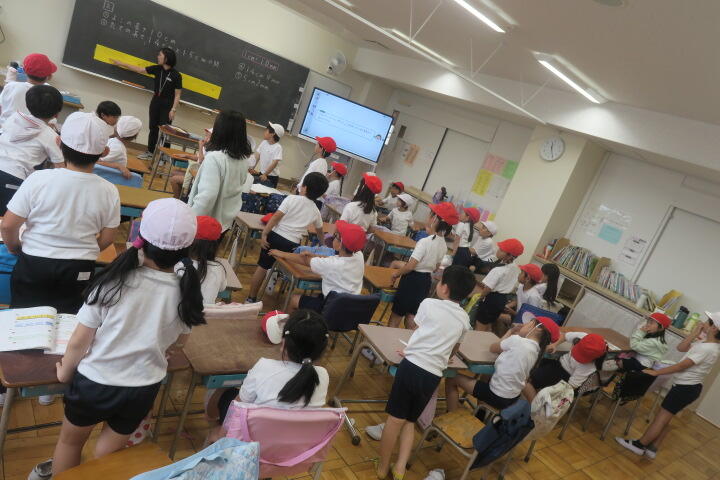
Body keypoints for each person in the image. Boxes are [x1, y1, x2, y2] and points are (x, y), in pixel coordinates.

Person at [44, 198, 205, 476]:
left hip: (95, 383)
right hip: (143, 388)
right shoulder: (187, 291)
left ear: (140, 237)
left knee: (70, 443)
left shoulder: (114, 281)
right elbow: (179, 344)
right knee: (107, 457)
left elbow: (79, 341)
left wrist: (65, 372)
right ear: (188, 247)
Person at [1, 111, 120, 314]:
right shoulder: (110, 190)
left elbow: (8, 225)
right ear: (104, 152)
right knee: (67, 319)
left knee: (22, 319)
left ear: (58, 142)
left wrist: (15, 248)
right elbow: (108, 238)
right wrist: (86, 250)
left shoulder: (39, 179)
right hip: (79, 268)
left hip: (34, 263)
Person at [376, 266, 475, 480]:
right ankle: (400, 468)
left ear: (444, 288)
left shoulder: (429, 303)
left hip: (412, 368)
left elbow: (418, 330)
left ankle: (382, 469)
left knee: (394, 420)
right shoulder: (464, 320)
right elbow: (452, 350)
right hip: (433, 376)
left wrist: (412, 350)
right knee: (410, 421)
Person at [204, 309, 330, 442]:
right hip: (295, 448)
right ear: (322, 350)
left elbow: (237, 407)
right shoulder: (323, 376)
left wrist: (222, 435)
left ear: (283, 343)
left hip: (251, 445)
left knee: (226, 395)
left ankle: (210, 420)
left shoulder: (264, 367)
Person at [616, 315, 720, 460]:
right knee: (665, 417)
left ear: (714, 328)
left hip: (685, 388)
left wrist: (656, 372)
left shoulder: (707, 348)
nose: (703, 323)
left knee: (661, 418)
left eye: (707, 321)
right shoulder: (705, 344)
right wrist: (694, 333)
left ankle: (639, 445)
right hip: (688, 388)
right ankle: (652, 448)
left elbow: (682, 365)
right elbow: (681, 348)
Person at [445, 315, 558, 414]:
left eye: (529, 323)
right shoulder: (537, 351)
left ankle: (451, 416)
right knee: (485, 377)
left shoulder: (517, 340)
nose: (523, 325)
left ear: (537, 328)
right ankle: (481, 413)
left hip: (496, 396)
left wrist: (510, 331)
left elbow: (493, 348)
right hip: (512, 398)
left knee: (452, 378)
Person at [245, 172, 328, 304]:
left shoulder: (291, 199)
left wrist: (265, 233)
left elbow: (276, 217)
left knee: (262, 267)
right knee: (285, 269)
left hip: (275, 237)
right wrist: (323, 245)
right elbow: (320, 231)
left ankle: (251, 298)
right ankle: (278, 285)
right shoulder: (316, 211)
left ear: (304, 187)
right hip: (292, 244)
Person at [270, 220, 366, 313]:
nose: (333, 237)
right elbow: (332, 258)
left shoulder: (331, 264)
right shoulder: (359, 256)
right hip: (350, 308)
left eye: (336, 236)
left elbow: (304, 260)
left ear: (340, 245)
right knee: (315, 296)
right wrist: (314, 255)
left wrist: (282, 254)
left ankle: (289, 324)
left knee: (294, 299)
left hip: (331, 309)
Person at [388, 203, 457, 329]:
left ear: (434, 219)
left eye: (430, 214)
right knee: (412, 316)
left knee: (396, 316)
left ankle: (385, 340)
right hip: (425, 282)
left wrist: (396, 273)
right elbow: (436, 268)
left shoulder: (425, 241)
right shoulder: (443, 245)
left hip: (412, 280)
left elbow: (410, 266)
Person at [0, 85, 63, 214]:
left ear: (27, 104)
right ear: (57, 113)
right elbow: (60, 168)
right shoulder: (51, 136)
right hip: (14, 178)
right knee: (5, 216)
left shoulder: (14, 117)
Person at [111, 48, 182, 159]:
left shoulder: (176, 75)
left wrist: (173, 109)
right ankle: (150, 152)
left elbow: (177, 94)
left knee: (165, 131)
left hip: (167, 105)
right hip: (155, 101)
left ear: (166, 58)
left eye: (160, 55)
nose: (158, 57)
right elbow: (139, 69)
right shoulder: (157, 69)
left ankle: (164, 157)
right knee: (153, 128)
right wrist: (121, 63)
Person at [187, 110, 252, 233]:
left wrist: (190, 219)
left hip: (205, 222)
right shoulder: (243, 160)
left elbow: (207, 196)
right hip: (225, 220)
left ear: (220, 131)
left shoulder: (214, 158)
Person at [522, 332, 607, 401]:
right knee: (529, 367)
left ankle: (537, 408)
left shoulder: (589, 367)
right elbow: (564, 336)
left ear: (593, 359)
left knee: (527, 381)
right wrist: (555, 344)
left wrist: (552, 395)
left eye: (581, 357)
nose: (576, 357)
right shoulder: (584, 337)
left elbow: (570, 386)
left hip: (566, 377)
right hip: (559, 363)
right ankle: (533, 397)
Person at [471, 239, 524, 332]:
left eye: (501, 250)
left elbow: (488, 288)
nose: (497, 250)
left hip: (491, 299)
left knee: (480, 326)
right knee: (488, 325)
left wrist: (480, 298)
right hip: (502, 300)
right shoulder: (515, 267)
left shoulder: (498, 270)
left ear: (508, 255)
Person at [0, 53, 57, 129]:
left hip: (4, 131)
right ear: (49, 77)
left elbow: (1, 107)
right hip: (32, 134)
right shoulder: (49, 93)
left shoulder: (11, 86)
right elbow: (51, 123)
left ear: (24, 70)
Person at [180, 215, 227, 305]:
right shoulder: (219, 268)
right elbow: (222, 288)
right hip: (206, 313)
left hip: (180, 312)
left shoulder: (179, 265)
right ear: (215, 246)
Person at [97, 115, 142, 179]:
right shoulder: (118, 148)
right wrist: (118, 166)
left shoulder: (112, 141)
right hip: (109, 179)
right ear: (135, 136)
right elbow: (95, 162)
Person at [251, 122, 284, 187]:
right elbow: (257, 157)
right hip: (262, 174)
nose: (264, 132)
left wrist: (265, 174)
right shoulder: (264, 142)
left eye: (266, 130)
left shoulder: (277, 147)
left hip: (271, 177)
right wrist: (252, 168)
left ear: (273, 134)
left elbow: (274, 163)